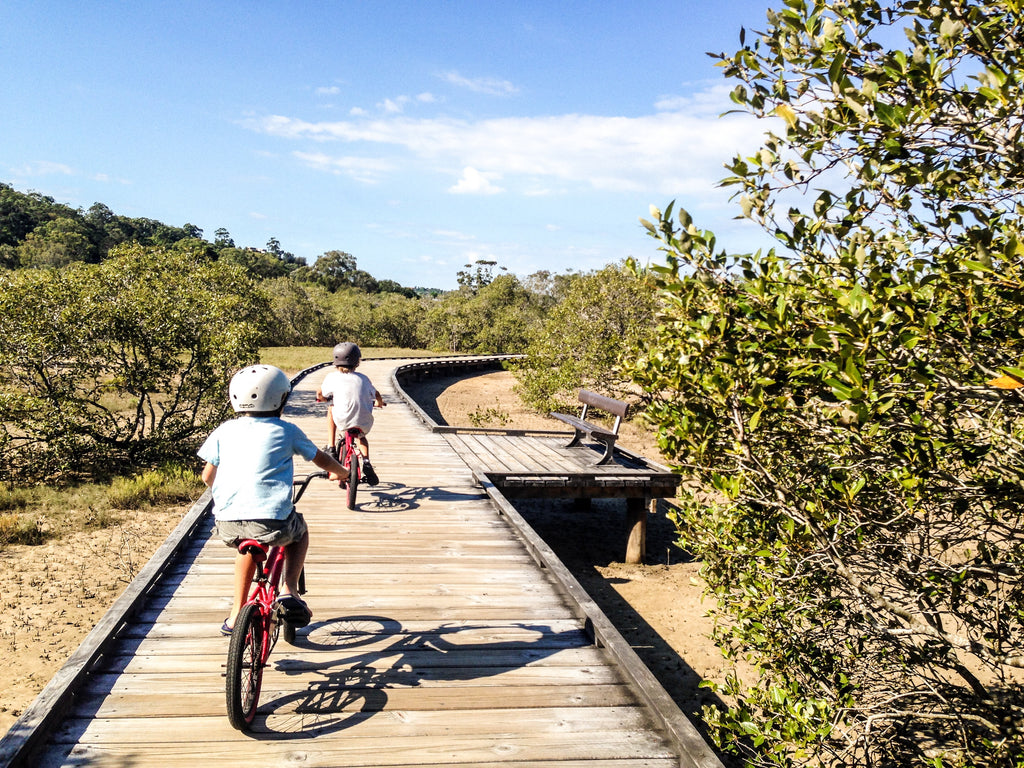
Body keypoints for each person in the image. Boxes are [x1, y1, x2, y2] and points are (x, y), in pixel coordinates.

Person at [198, 364, 348, 636]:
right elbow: (320, 458)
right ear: (281, 398)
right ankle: (289, 588)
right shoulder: (287, 430)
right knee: (299, 530)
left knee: (247, 546)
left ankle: (235, 614)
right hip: (273, 520)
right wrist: (342, 472)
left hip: (227, 522)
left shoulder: (224, 431)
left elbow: (207, 476)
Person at [316, 342, 385, 485]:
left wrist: (322, 399)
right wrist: (379, 402)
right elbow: (376, 393)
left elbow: (320, 393)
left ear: (335, 361)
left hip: (342, 419)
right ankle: (366, 461)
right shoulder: (364, 378)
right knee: (361, 437)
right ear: (357, 362)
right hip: (364, 421)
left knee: (331, 407)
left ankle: (331, 447)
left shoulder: (332, 377)